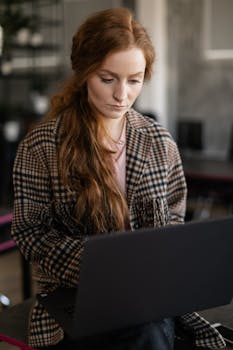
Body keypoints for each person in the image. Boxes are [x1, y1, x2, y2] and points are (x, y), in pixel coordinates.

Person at [11, 7, 225, 350]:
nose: (121, 95)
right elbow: (30, 233)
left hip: (150, 296)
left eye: (134, 80)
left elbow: (173, 220)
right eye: (107, 79)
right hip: (72, 298)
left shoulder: (159, 142)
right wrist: (102, 269)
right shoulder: (42, 146)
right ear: (83, 73)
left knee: (146, 330)